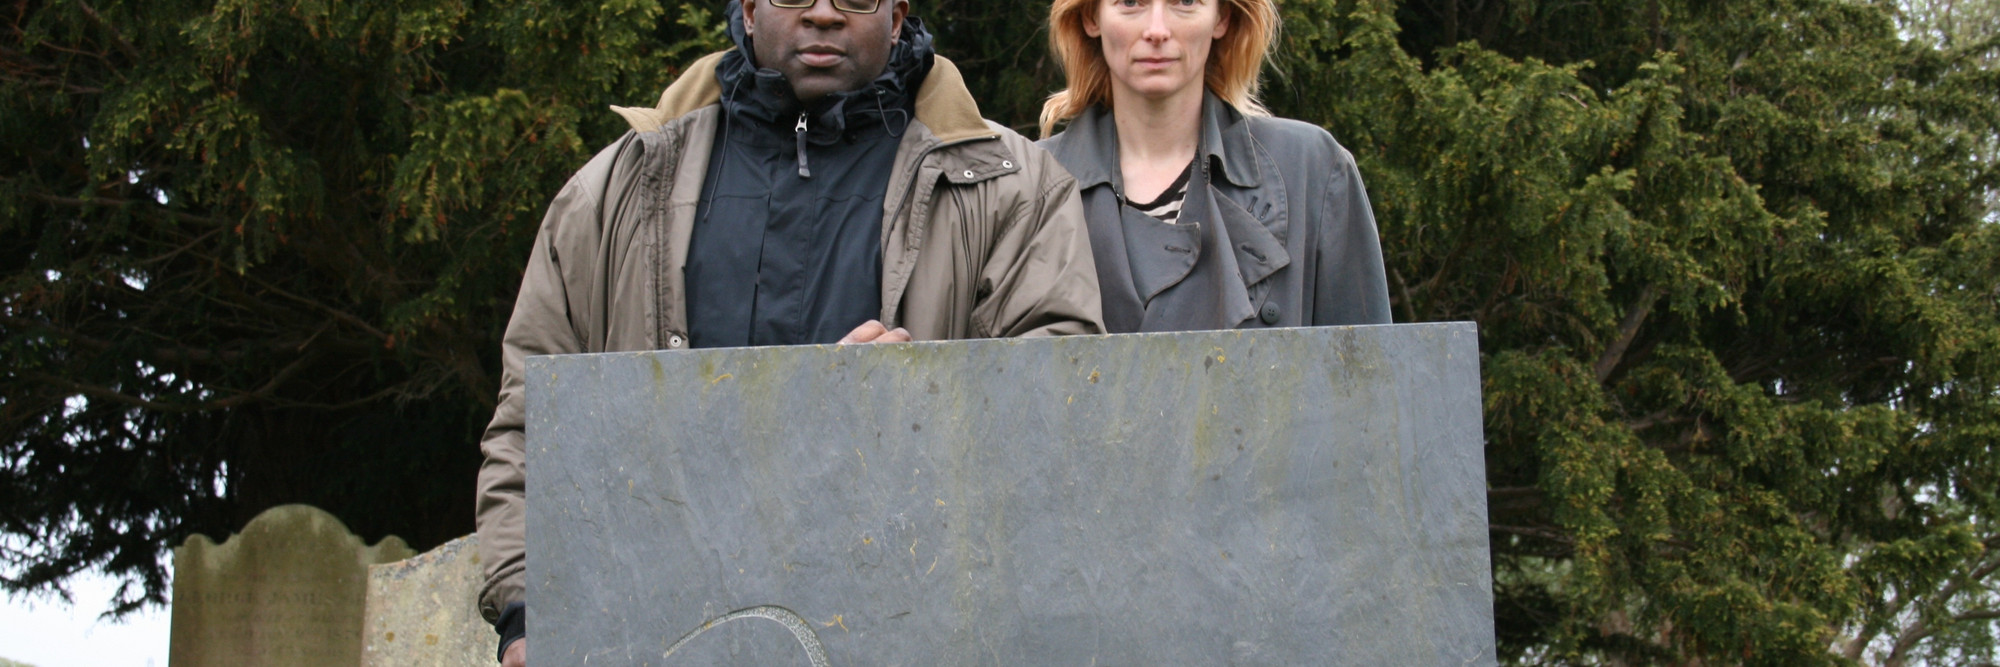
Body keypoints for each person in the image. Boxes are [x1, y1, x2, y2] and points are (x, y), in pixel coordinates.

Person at [474, 0, 1105, 663]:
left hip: (911, 631)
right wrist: (527, 608)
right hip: (656, 631)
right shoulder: (616, 190)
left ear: (896, 18)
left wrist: (916, 407)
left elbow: (1061, 418)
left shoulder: (1013, 190)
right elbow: (532, 421)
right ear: (749, 10)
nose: (824, 14)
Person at [1037, 0, 1391, 332]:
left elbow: (1365, 369)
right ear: (1092, 18)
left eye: (1186, 1)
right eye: (1130, 1)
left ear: (1221, 18)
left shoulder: (1312, 170)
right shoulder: (1029, 187)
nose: (1156, 30)